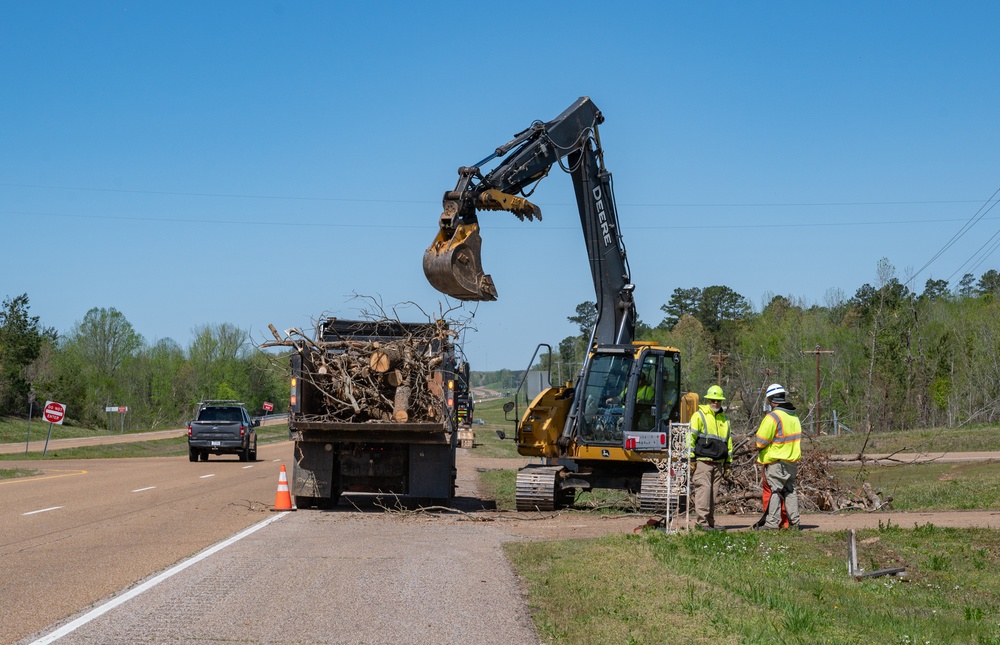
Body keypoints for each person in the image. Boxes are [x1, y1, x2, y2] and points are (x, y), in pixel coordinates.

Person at [753, 383, 803, 531]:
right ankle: (795, 523)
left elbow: (760, 442)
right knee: (790, 491)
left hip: (777, 462)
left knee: (775, 491)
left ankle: (771, 524)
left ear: (771, 400)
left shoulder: (773, 417)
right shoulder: (794, 417)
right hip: (792, 462)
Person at [688, 385, 732, 531]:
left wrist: (727, 464)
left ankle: (710, 522)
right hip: (703, 462)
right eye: (713, 400)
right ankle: (702, 523)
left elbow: (728, 443)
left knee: (712, 494)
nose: (715, 403)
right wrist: (692, 459)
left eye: (718, 400)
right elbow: (690, 438)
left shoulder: (725, 420)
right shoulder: (699, 416)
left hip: (718, 463)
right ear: (708, 400)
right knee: (704, 492)